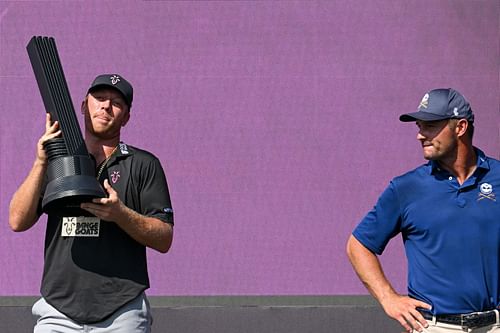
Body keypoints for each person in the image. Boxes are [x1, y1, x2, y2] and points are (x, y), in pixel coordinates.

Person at [9, 74, 174, 332]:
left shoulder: (144, 164)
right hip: (58, 311)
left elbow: (164, 238)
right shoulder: (57, 162)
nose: (106, 106)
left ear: (127, 117)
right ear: (84, 106)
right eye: (99, 99)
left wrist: (120, 214)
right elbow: (17, 221)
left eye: (116, 102)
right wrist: (41, 161)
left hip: (121, 312)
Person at [346, 88, 499, 333]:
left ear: (460, 127)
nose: (420, 135)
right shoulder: (406, 188)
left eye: (430, 126)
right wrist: (388, 298)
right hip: (436, 327)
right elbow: (358, 245)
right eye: (420, 126)